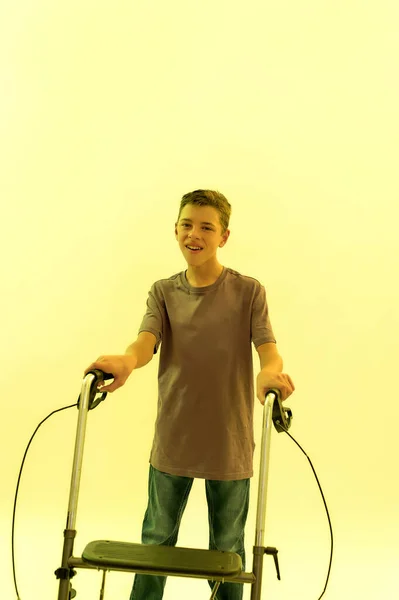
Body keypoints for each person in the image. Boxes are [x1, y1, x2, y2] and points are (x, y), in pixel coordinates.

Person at [84, 189, 295, 600]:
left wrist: (269, 376)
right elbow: (144, 343)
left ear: (224, 236)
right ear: (175, 230)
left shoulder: (249, 292)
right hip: (173, 439)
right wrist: (126, 362)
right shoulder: (163, 292)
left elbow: (269, 353)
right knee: (156, 541)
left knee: (228, 549)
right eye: (186, 225)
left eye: (206, 227)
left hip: (229, 442)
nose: (193, 234)